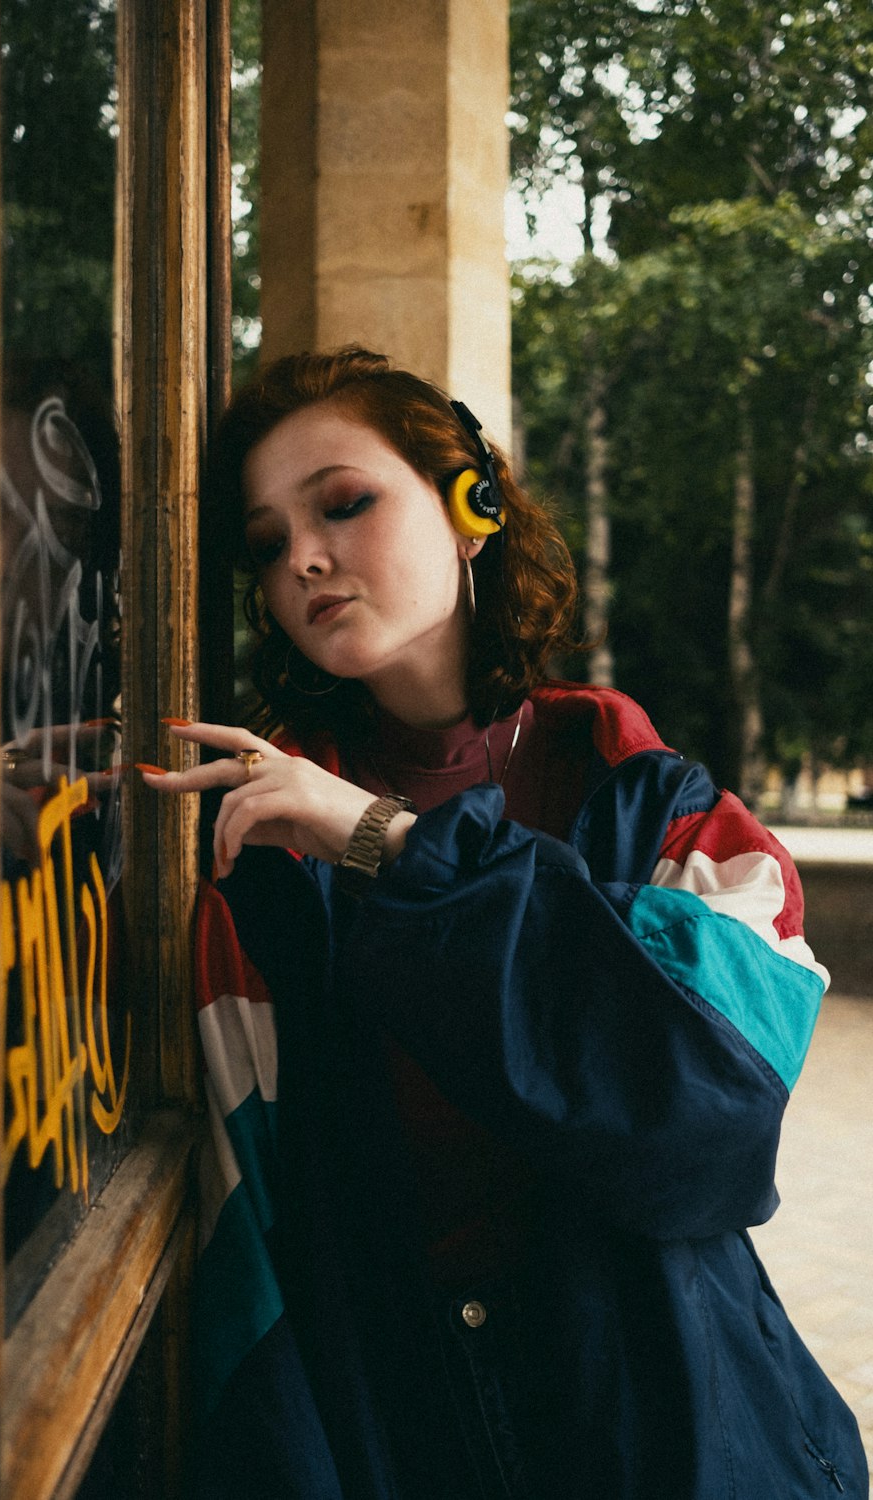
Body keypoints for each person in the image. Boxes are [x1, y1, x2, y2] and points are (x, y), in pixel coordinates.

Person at [143, 348, 866, 1499]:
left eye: (343, 503)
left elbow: (709, 1138)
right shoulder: (250, 857)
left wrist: (390, 844)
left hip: (671, 1422)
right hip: (400, 1425)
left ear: (470, 507)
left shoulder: (666, 811)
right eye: (269, 544)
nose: (306, 561)